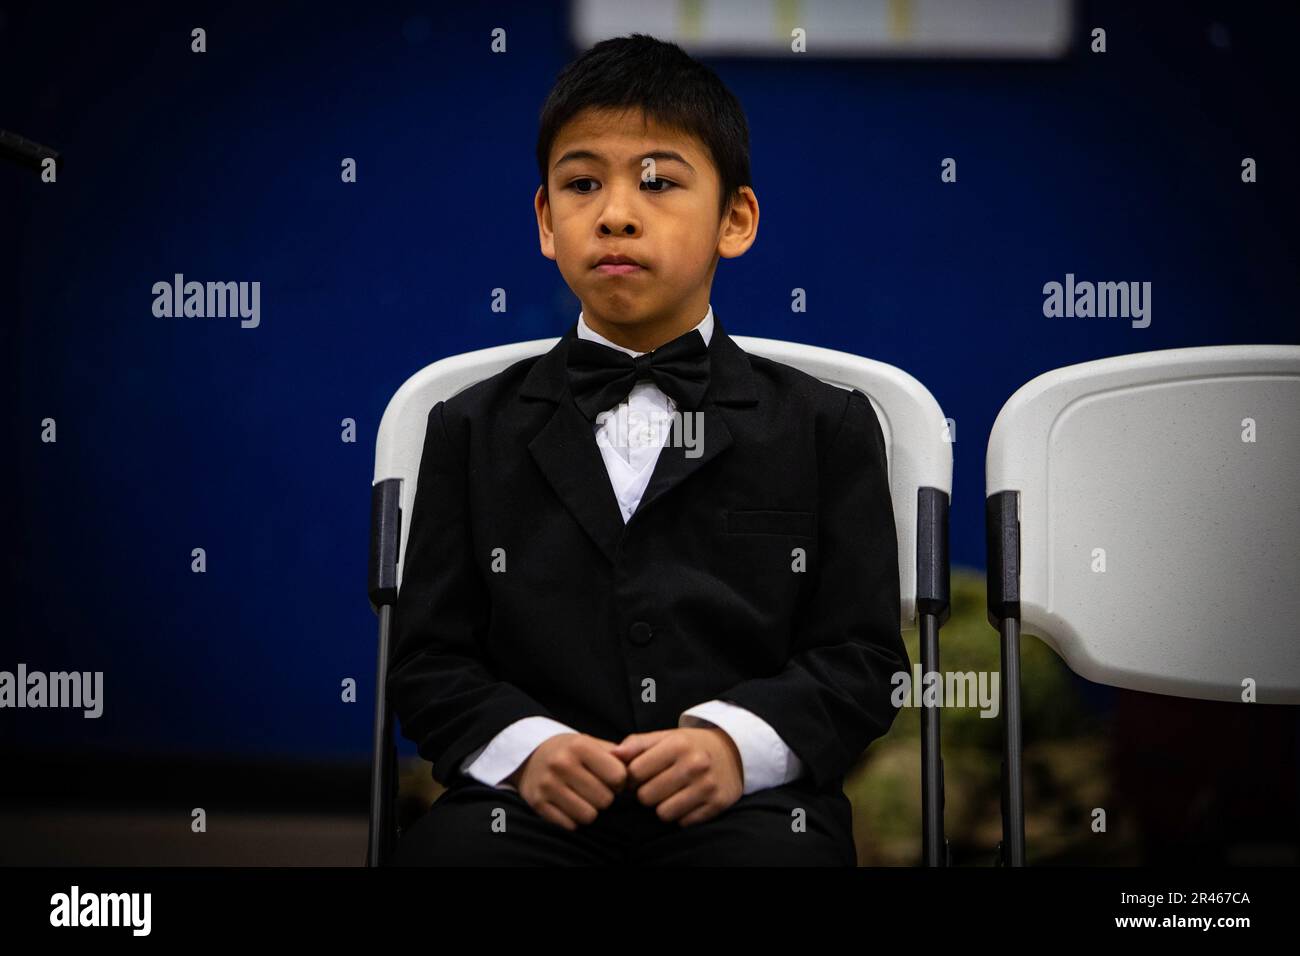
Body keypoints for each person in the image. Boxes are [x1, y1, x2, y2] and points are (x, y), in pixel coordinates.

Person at [387, 33, 907, 866]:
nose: (617, 211)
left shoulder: (827, 427)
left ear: (734, 219)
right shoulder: (468, 428)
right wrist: (526, 749)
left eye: (659, 181)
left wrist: (738, 745)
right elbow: (427, 662)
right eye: (582, 183)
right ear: (546, 222)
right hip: (524, 811)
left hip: (752, 812)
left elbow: (863, 658)